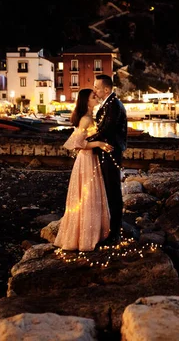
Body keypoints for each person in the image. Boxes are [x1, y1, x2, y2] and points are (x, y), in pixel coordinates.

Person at [54, 88, 113, 251]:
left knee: (90, 196)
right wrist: (99, 144)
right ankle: (86, 238)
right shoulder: (86, 119)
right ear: (86, 101)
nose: (96, 98)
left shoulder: (89, 117)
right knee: (88, 196)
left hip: (90, 159)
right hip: (86, 160)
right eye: (93, 97)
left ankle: (91, 234)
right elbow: (77, 143)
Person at [87, 74, 127, 244]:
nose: (94, 90)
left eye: (96, 87)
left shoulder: (113, 105)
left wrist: (86, 141)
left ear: (106, 89)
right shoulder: (109, 104)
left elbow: (107, 129)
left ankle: (115, 233)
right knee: (110, 190)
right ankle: (113, 229)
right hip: (108, 151)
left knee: (113, 191)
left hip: (111, 152)